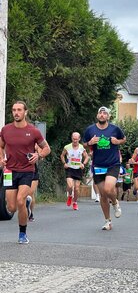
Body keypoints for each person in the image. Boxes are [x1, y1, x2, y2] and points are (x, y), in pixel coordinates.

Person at [0, 101, 51, 244]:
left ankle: (22, 234)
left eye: (19, 110)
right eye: (14, 110)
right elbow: (1, 146)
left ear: (25, 112)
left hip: (27, 171)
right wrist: (1, 159)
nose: (16, 113)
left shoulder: (33, 131)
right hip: (10, 171)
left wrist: (38, 155)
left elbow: (47, 148)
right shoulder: (6, 130)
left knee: (20, 200)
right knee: (11, 207)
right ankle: (27, 203)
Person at [83, 106, 126, 231]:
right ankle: (108, 221)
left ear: (108, 116)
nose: (102, 115)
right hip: (98, 165)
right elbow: (84, 144)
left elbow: (123, 139)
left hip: (113, 164)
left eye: (105, 113)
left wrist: (117, 142)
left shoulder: (115, 129)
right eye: (100, 113)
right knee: (103, 195)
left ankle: (115, 202)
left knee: (108, 188)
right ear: (97, 116)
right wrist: (90, 143)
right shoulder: (90, 129)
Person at [60, 132, 89, 210]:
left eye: (76, 139)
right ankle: (70, 196)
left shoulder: (81, 147)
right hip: (69, 168)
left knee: (76, 188)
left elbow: (86, 157)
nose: (75, 141)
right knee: (70, 185)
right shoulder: (67, 147)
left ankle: (75, 202)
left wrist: (83, 164)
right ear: (71, 138)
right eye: (73, 139)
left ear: (79, 139)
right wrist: (64, 163)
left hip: (78, 169)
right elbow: (62, 155)